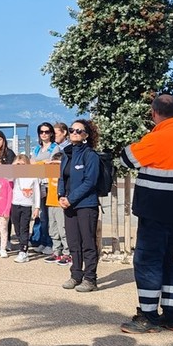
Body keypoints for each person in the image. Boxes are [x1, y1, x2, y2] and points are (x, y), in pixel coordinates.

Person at [119, 94, 173, 334]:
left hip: (154, 209)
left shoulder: (157, 137)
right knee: (167, 261)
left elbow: (127, 158)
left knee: (147, 261)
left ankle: (148, 317)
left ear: (154, 113)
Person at [58, 119, 101, 292]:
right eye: (72, 130)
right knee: (73, 242)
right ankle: (76, 275)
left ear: (86, 135)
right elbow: (62, 178)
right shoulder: (66, 154)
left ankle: (90, 279)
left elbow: (90, 182)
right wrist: (61, 196)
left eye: (79, 130)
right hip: (69, 204)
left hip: (86, 204)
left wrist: (71, 198)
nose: (74, 133)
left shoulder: (90, 155)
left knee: (88, 242)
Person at [29, 122, 57, 254]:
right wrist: (42, 164)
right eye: (41, 132)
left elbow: (52, 166)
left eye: (47, 131)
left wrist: (38, 164)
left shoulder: (55, 148)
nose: (44, 134)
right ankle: (42, 241)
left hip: (49, 185)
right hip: (38, 185)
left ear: (51, 133)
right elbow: (31, 166)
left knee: (50, 216)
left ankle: (50, 243)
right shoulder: (36, 149)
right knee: (41, 216)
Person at [10, 154, 41, 263]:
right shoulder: (14, 174)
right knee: (17, 228)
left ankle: (23, 251)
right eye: (19, 164)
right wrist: (14, 164)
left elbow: (37, 191)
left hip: (26, 206)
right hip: (15, 204)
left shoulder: (33, 175)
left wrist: (37, 207)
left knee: (24, 228)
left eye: (23, 164)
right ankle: (23, 246)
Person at [43, 151, 70, 266]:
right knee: (53, 230)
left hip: (60, 205)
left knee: (63, 230)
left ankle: (67, 253)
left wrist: (60, 163)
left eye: (57, 164)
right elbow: (34, 167)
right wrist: (48, 162)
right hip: (51, 204)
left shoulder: (64, 173)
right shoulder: (50, 172)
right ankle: (56, 252)